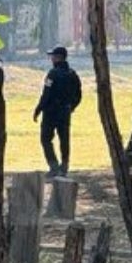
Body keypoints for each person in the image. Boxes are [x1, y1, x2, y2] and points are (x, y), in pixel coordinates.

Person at [33, 45, 81, 177]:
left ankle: (53, 166)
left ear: (58, 58)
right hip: (65, 111)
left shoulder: (52, 74)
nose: (51, 59)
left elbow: (46, 94)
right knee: (64, 139)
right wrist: (71, 107)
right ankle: (64, 166)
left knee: (46, 139)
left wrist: (38, 109)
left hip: (51, 112)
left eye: (53, 56)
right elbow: (78, 95)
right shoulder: (72, 74)